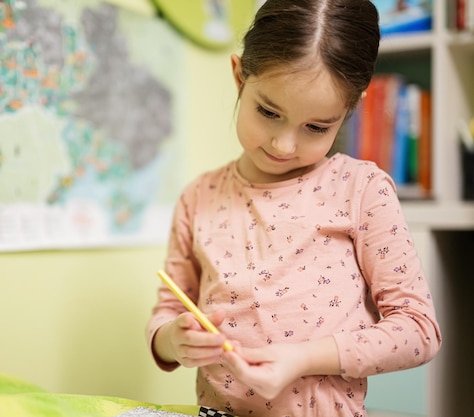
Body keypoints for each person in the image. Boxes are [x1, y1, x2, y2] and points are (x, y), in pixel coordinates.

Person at [145, 1, 442, 416]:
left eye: (316, 127)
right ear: (238, 77)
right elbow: (169, 310)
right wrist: (171, 340)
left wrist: (303, 358)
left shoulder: (362, 191)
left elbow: (419, 331)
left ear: (349, 110)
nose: (283, 145)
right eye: (268, 112)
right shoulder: (200, 196)